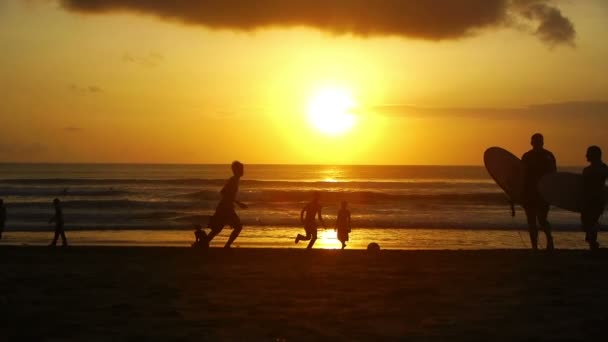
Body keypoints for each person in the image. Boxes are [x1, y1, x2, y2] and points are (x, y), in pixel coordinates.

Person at [521, 133, 556, 251]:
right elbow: (522, 175)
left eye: (537, 141)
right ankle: (536, 246)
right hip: (531, 193)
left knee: (539, 220)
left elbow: (553, 175)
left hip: (541, 193)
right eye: (535, 141)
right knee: (534, 221)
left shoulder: (548, 155)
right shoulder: (527, 156)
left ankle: (548, 241)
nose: (536, 143)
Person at [205, 161, 248, 248]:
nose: (243, 171)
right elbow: (224, 192)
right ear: (236, 170)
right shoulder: (233, 180)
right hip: (226, 208)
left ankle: (203, 244)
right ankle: (227, 246)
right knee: (238, 227)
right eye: (241, 169)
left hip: (225, 207)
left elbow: (224, 192)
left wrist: (234, 202)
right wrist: (238, 203)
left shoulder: (234, 180)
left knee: (217, 229)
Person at [581, 146, 608, 251]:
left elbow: (583, 187)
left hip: (593, 201)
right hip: (596, 201)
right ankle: (593, 243)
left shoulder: (588, 170)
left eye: (588, 153)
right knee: (590, 223)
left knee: (589, 223)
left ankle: (593, 244)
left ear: (594, 155)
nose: (586, 155)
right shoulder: (604, 168)